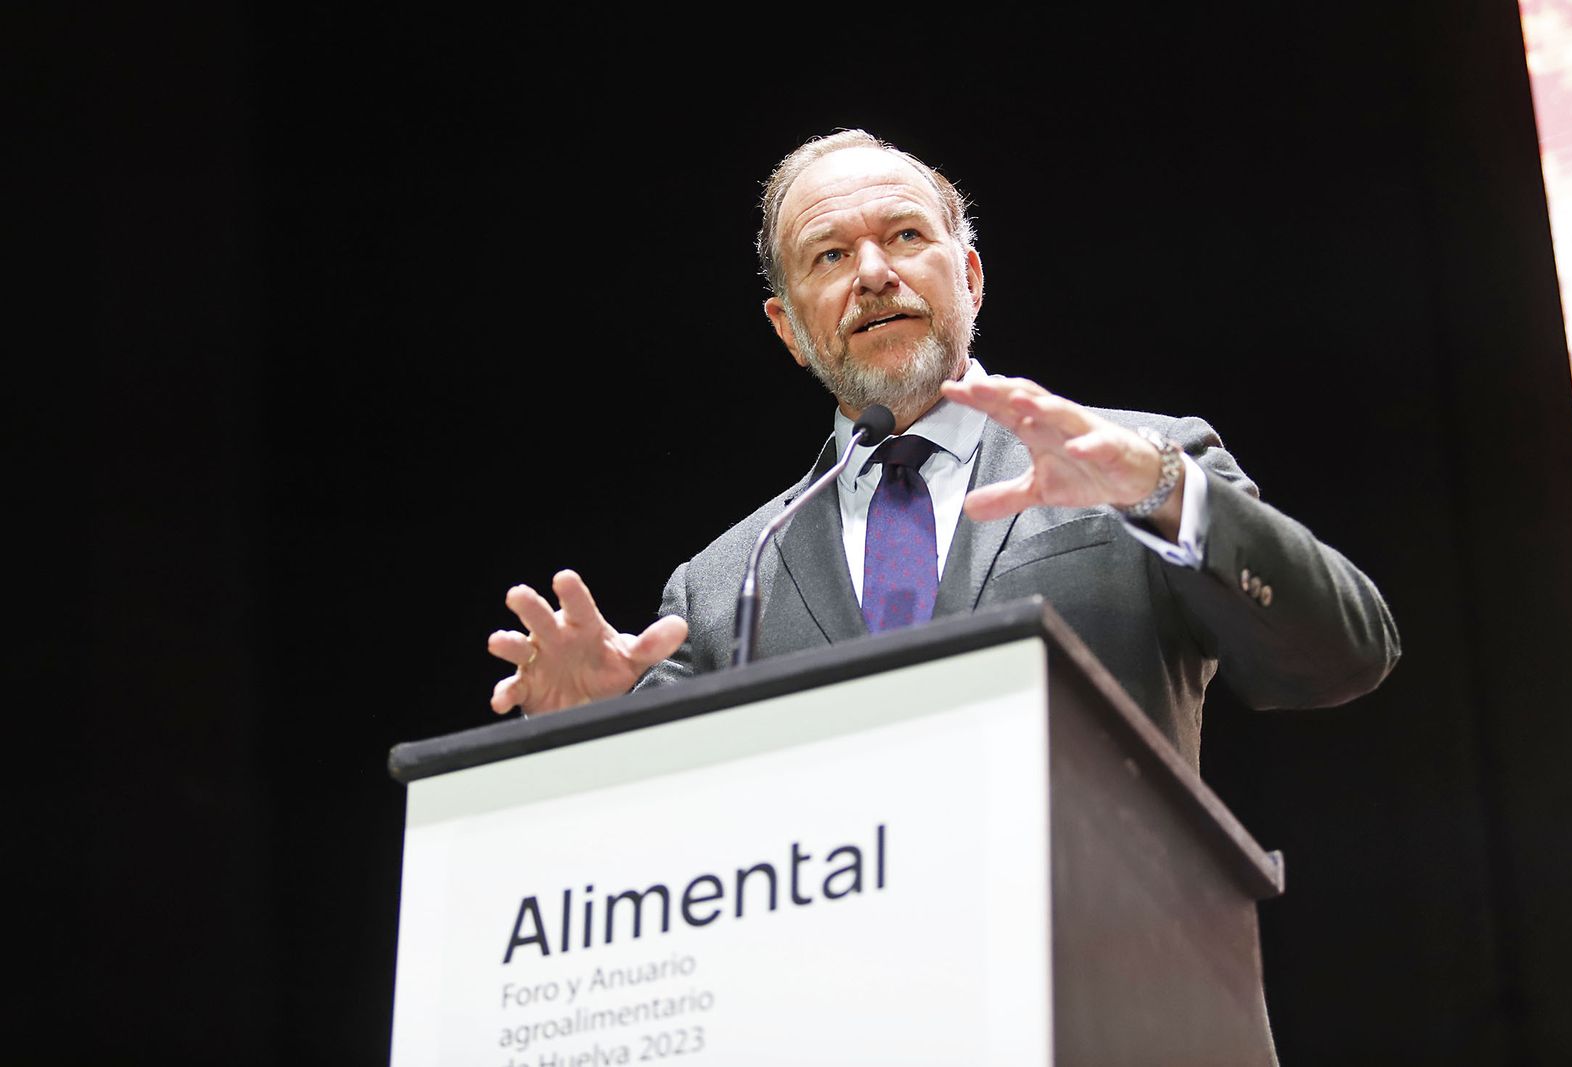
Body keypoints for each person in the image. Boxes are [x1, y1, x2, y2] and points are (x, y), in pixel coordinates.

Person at [486, 130, 1399, 767]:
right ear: (789, 330)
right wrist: (602, 726)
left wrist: (1163, 491)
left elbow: (1343, 653)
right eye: (830, 256)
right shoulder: (727, 585)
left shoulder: (1140, 458)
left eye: (906, 237)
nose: (875, 272)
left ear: (967, 276)